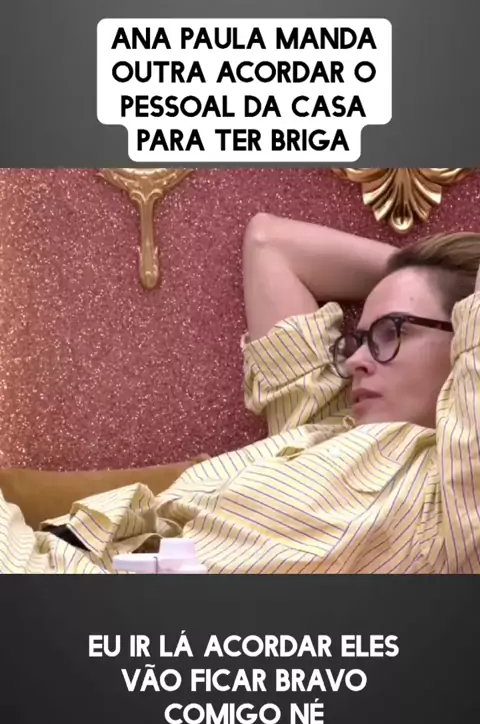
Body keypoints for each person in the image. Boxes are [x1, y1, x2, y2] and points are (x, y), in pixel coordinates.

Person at [2, 215, 480, 574]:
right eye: (359, 339)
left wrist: (459, 301)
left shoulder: (448, 500)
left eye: (391, 332)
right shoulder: (325, 425)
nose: (356, 359)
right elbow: (270, 244)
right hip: (47, 555)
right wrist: (418, 271)